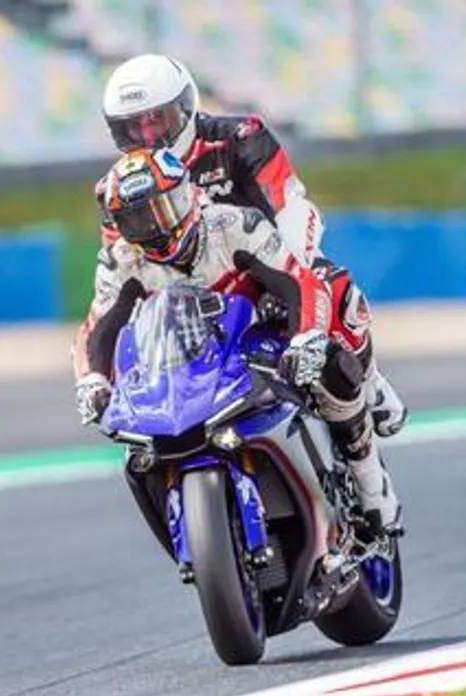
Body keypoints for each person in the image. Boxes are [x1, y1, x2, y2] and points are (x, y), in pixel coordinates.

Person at [72, 146, 404, 540]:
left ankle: (371, 483)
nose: (155, 227)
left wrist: (306, 338)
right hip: (191, 362)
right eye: (138, 219)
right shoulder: (122, 260)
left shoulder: (234, 225)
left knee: (332, 365)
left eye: (163, 208)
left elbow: (298, 282)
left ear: (186, 194)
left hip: (264, 333)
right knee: (138, 446)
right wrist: (92, 379)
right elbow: (97, 329)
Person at [90, 52, 407, 441]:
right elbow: (128, 257)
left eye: (157, 120)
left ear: (186, 108)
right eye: (131, 129)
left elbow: (288, 209)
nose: (148, 137)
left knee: (336, 291)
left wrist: (289, 272)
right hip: (195, 283)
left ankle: (371, 385)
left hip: (266, 254)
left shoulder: (241, 137)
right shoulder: (120, 188)